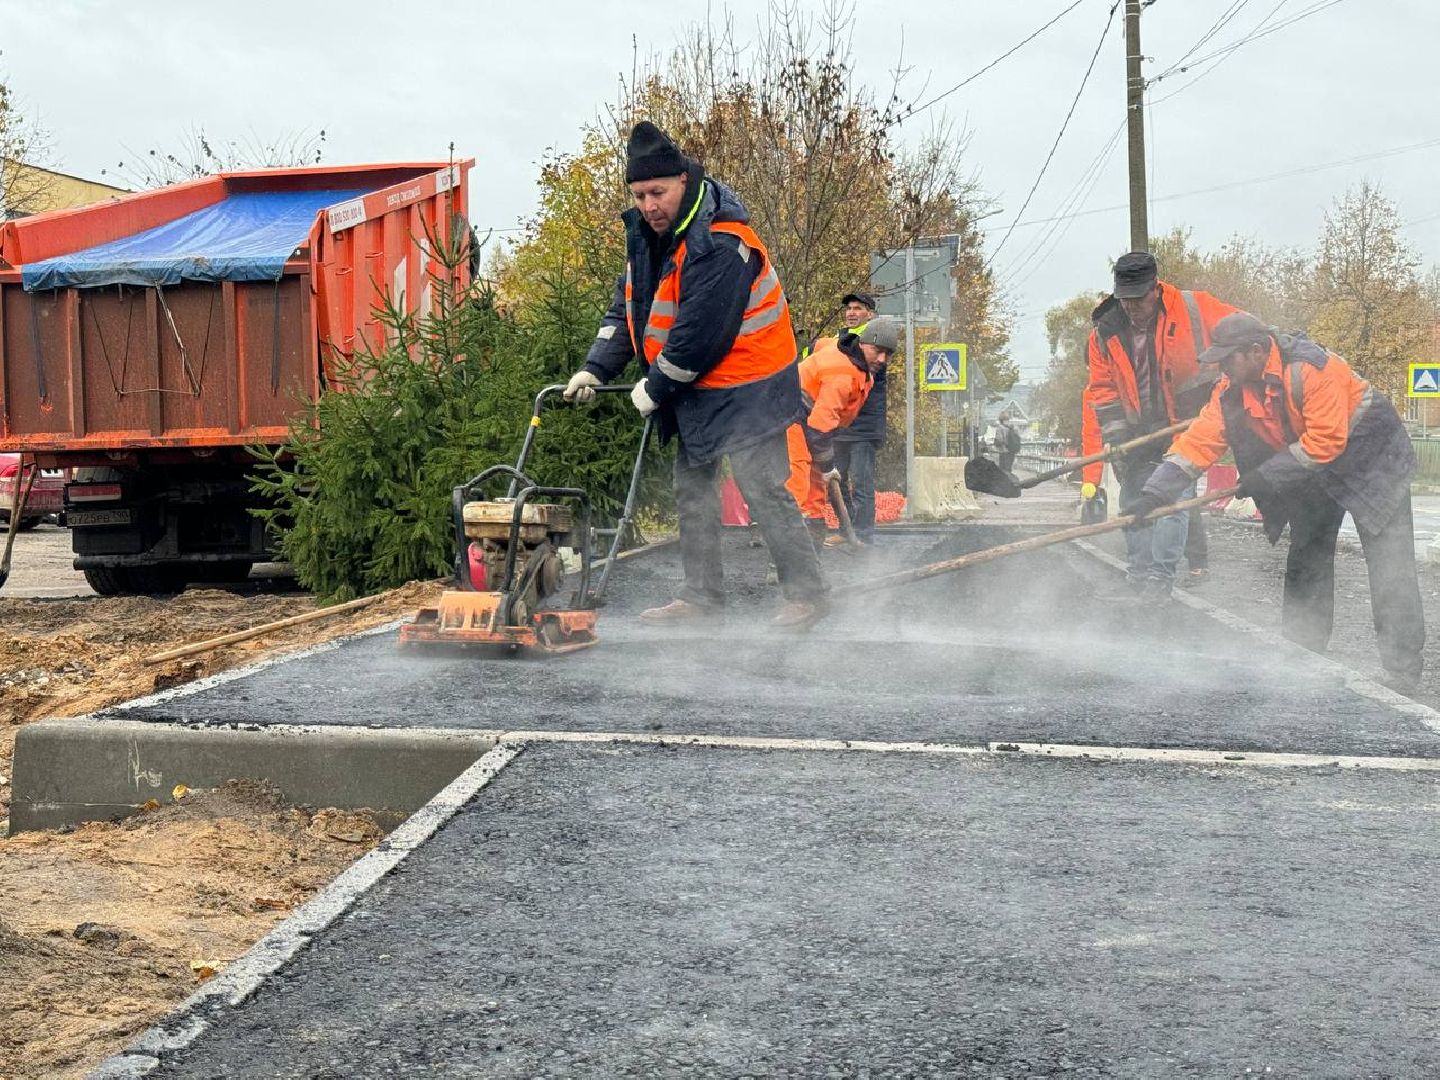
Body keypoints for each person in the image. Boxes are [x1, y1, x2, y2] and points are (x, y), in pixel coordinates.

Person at [563, 121, 827, 628]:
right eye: (639, 195)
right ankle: (701, 600)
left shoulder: (723, 241)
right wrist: (595, 369)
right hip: (699, 391)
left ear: (684, 181)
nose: (648, 205)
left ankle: (807, 595)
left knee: (761, 487)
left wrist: (656, 386)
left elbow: (700, 335)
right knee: (693, 491)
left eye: (657, 192)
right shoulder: (645, 238)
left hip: (752, 386)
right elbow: (628, 309)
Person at [1131, 312, 1425, 693]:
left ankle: (1402, 670)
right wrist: (1154, 493)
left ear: (1256, 351)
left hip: (1373, 458)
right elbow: (1199, 441)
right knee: (1307, 554)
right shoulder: (1231, 388)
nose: (1221, 367)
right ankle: (1304, 650)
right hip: (1316, 464)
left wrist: (1264, 477)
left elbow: (1325, 442)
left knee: (1389, 563)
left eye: (1227, 358)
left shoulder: (1312, 370)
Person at [1080, 251, 1239, 601]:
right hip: (1137, 429)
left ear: (1156, 289)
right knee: (1134, 499)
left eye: (1139, 299)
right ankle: (1137, 574)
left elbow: (1243, 333)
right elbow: (1103, 390)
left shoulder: (1195, 309)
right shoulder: (1104, 333)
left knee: (1173, 498)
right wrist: (1118, 435)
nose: (1132, 308)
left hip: (1185, 425)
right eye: (1126, 300)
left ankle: (1159, 581)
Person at [785, 318, 896, 542]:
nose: (883, 359)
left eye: (888, 353)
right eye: (878, 350)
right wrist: (828, 467)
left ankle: (812, 557)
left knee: (816, 490)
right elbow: (820, 427)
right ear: (863, 344)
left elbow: (820, 346)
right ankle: (786, 563)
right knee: (799, 480)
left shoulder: (857, 362)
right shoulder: (843, 375)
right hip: (789, 417)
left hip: (811, 422)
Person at [808, 291, 887, 547]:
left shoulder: (875, 343)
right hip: (839, 425)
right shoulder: (840, 340)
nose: (851, 312)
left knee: (861, 482)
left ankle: (864, 534)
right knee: (836, 478)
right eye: (849, 308)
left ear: (870, 314)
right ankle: (847, 529)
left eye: (858, 308)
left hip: (863, 428)